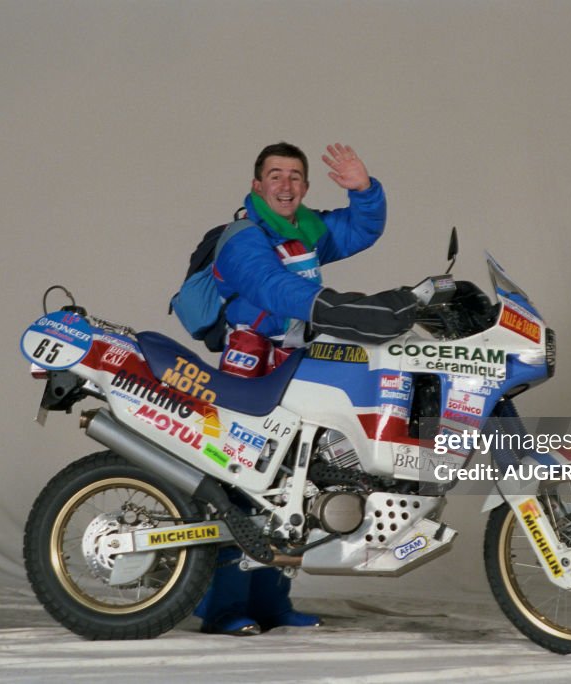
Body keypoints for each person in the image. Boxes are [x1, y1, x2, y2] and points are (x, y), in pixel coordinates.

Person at [193, 142, 417, 636]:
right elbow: (271, 287)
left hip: (296, 360)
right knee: (240, 484)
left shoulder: (306, 231)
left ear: (306, 187)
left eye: (295, 176)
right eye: (275, 176)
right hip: (250, 361)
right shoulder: (242, 237)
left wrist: (364, 190)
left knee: (293, 486)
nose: (286, 185)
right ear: (257, 186)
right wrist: (332, 306)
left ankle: (272, 604)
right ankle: (224, 608)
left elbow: (360, 228)